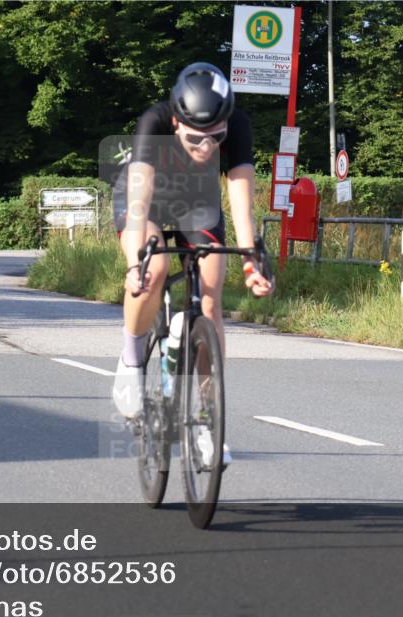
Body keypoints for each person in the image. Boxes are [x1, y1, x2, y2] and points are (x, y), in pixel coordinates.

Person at [111, 62, 273, 467]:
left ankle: (205, 420)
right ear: (176, 121)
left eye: (215, 137)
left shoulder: (237, 123)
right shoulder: (154, 120)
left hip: (198, 202)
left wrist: (252, 258)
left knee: (211, 301)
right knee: (154, 271)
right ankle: (130, 365)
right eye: (194, 137)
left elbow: (239, 191)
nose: (205, 147)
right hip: (146, 198)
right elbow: (140, 197)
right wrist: (136, 263)